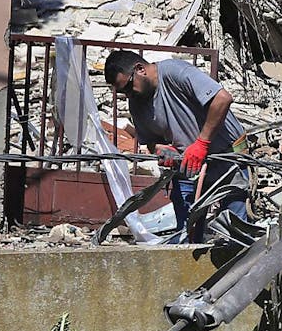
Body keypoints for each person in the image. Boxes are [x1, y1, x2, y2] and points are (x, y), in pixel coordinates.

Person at [104, 50, 248, 241]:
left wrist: (202, 143)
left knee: (236, 229)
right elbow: (151, 141)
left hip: (226, 159)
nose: (128, 95)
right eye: (123, 92)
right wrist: (160, 149)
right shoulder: (137, 104)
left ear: (140, 69)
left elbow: (222, 99)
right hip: (188, 166)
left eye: (128, 87)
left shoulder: (174, 72)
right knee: (186, 231)